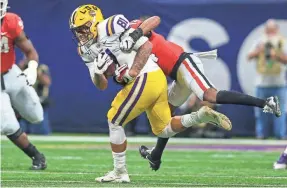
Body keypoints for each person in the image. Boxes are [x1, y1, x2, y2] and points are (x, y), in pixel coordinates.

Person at [69, 4, 231, 183]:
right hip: (150, 80)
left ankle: (119, 171)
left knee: (114, 120)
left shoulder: (111, 25)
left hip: (146, 75)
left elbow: (145, 47)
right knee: (163, 129)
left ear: (94, 21)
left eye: (83, 28)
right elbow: (101, 86)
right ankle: (199, 116)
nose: (80, 34)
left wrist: (132, 72)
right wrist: (99, 72)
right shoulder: (84, 49)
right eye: (77, 31)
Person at [119, 16, 282, 171]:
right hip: (176, 74)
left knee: (209, 95)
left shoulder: (130, 31)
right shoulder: (122, 51)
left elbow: (155, 19)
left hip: (183, 63)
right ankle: (156, 155)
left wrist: (135, 34)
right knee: (164, 117)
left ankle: (266, 103)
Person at [0, 0, 46, 170]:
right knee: (7, 125)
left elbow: (30, 51)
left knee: (36, 116)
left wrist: (32, 67)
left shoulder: (11, 22)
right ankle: (37, 156)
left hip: (10, 73)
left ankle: (11, 108)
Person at [248, 19, 287, 139]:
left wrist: (277, 56)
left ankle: (280, 135)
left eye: (272, 29)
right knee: (261, 112)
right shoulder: (260, 41)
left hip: (278, 82)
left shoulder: (282, 42)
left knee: (279, 112)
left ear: (276, 29)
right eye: (268, 29)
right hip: (262, 82)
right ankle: (261, 134)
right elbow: (249, 56)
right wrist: (258, 51)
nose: (270, 32)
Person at [18, 58, 52, 135]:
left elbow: (47, 82)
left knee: (42, 130)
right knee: (21, 132)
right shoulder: (21, 69)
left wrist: (36, 73)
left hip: (39, 102)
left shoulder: (41, 68)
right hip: (24, 103)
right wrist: (21, 69)